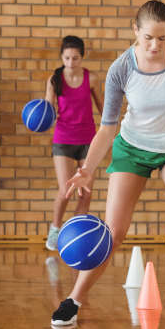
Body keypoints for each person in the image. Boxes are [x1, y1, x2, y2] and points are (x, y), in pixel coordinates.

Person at [52, 0, 165, 329]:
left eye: (162, 38)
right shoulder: (121, 69)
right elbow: (107, 127)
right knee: (113, 233)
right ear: (135, 31)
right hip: (132, 147)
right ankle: (73, 300)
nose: (155, 45)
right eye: (148, 37)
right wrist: (88, 167)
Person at [44, 35, 102, 251]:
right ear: (62, 57)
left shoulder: (92, 79)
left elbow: (103, 109)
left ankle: (75, 234)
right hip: (63, 140)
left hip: (88, 140)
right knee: (65, 190)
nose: (70, 63)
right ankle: (55, 229)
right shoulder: (54, 80)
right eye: (67, 58)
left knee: (86, 192)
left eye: (75, 58)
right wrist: (39, 118)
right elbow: (47, 111)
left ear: (82, 57)